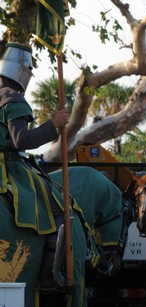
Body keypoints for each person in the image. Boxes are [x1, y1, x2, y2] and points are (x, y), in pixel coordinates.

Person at [0, 43, 70, 291]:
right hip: (8, 169)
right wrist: (54, 124)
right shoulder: (12, 98)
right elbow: (22, 140)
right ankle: (49, 276)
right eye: (29, 69)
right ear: (21, 69)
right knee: (61, 212)